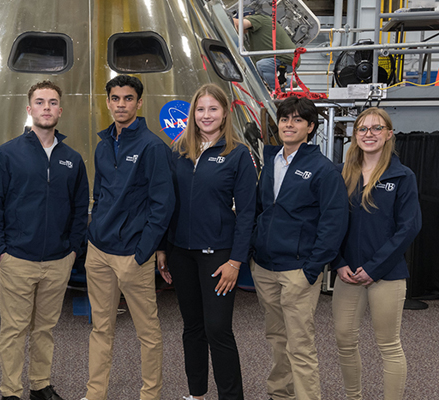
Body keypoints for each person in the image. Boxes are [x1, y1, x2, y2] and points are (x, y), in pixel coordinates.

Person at [0, 80, 89, 400]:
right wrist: (1, 251)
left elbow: (79, 207)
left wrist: (72, 251)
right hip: (16, 259)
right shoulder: (6, 155)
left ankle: (40, 385)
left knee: (45, 329)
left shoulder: (72, 158)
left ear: (60, 109)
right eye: (40, 102)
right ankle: (11, 391)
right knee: (14, 331)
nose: (47, 107)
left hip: (58, 261)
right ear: (29, 110)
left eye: (52, 102)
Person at [156, 84, 256, 400]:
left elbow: (248, 214)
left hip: (220, 256)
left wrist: (236, 261)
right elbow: (166, 202)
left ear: (225, 112)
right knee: (192, 329)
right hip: (181, 253)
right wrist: (162, 247)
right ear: (193, 114)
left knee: (218, 329)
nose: (206, 115)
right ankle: (196, 394)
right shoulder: (179, 152)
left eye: (213, 109)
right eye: (200, 109)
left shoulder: (238, 154)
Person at [82, 75, 175, 400]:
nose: (121, 104)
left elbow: (163, 205)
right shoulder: (103, 144)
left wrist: (143, 251)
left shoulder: (152, 147)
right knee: (100, 328)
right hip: (99, 252)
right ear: (108, 102)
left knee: (147, 332)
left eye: (128, 98)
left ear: (138, 102)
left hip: (133, 255)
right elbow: (100, 194)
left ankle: (150, 394)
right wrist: (92, 238)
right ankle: (95, 393)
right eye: (116, 98)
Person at [250, 96, 348, 400]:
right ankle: (280, 394)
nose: (288, 125)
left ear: (310, 127)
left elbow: (334, 223)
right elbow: (260, 208)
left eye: (296, 120)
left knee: (300, 344)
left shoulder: (323, 169)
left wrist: (312, 269)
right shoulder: (272, 162)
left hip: (298, 271)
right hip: (265, 268)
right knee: (276, 338)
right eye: (284, 119)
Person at [332, 108, 421, 400]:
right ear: (354, 135)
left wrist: (374, 268)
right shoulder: (342, 174)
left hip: (386, 274)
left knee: (388, 345)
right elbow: (330, 223)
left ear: (388, 134)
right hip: (347, 274)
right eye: (362, 129)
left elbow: (409, 227)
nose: (369, 134)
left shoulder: (402, 176)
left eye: (376, 128)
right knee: (345, 340)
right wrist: (339, 262)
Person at [234, 10, 296, 91]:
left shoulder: (258, 18)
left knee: (262, 65)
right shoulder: (252, 36)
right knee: (255, 68)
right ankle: (284, 83)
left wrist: (228, 19)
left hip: (284, 58)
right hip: (278, 59)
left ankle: (281, 88)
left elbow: (239, 23)